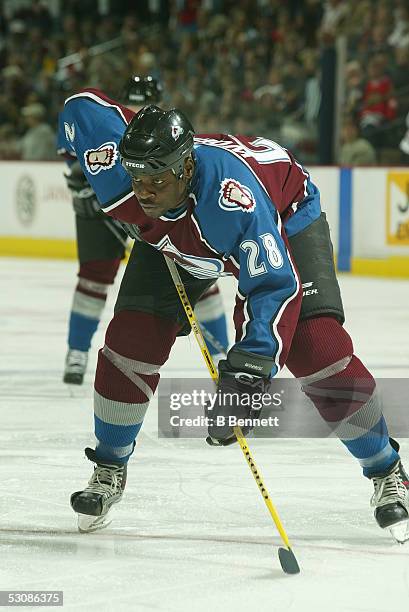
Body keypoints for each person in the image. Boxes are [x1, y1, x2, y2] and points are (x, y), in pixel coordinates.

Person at [57, 91, 409, 541]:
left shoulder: (232, 201)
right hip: (179, 239)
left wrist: (245, 379)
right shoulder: (111, 162)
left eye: (155, 179)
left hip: (283, 213)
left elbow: (271, 287)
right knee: (132, 338)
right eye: (136, 176)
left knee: (316, 346)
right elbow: (80, 106)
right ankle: (108, 467)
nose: (142, 190)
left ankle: (385, 468)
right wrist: (118, 132)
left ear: (185, 169)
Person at [60, 76, 228, 384]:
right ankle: (77, 352)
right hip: (106, 205)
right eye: (132, 105)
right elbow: (76, 151)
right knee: (94, 276)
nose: (138, 112)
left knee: (200, 268)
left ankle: (221, 355)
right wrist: (80, 187)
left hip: (156, 205)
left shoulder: (171, 134)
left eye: (145, 105)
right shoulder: (104, 127)